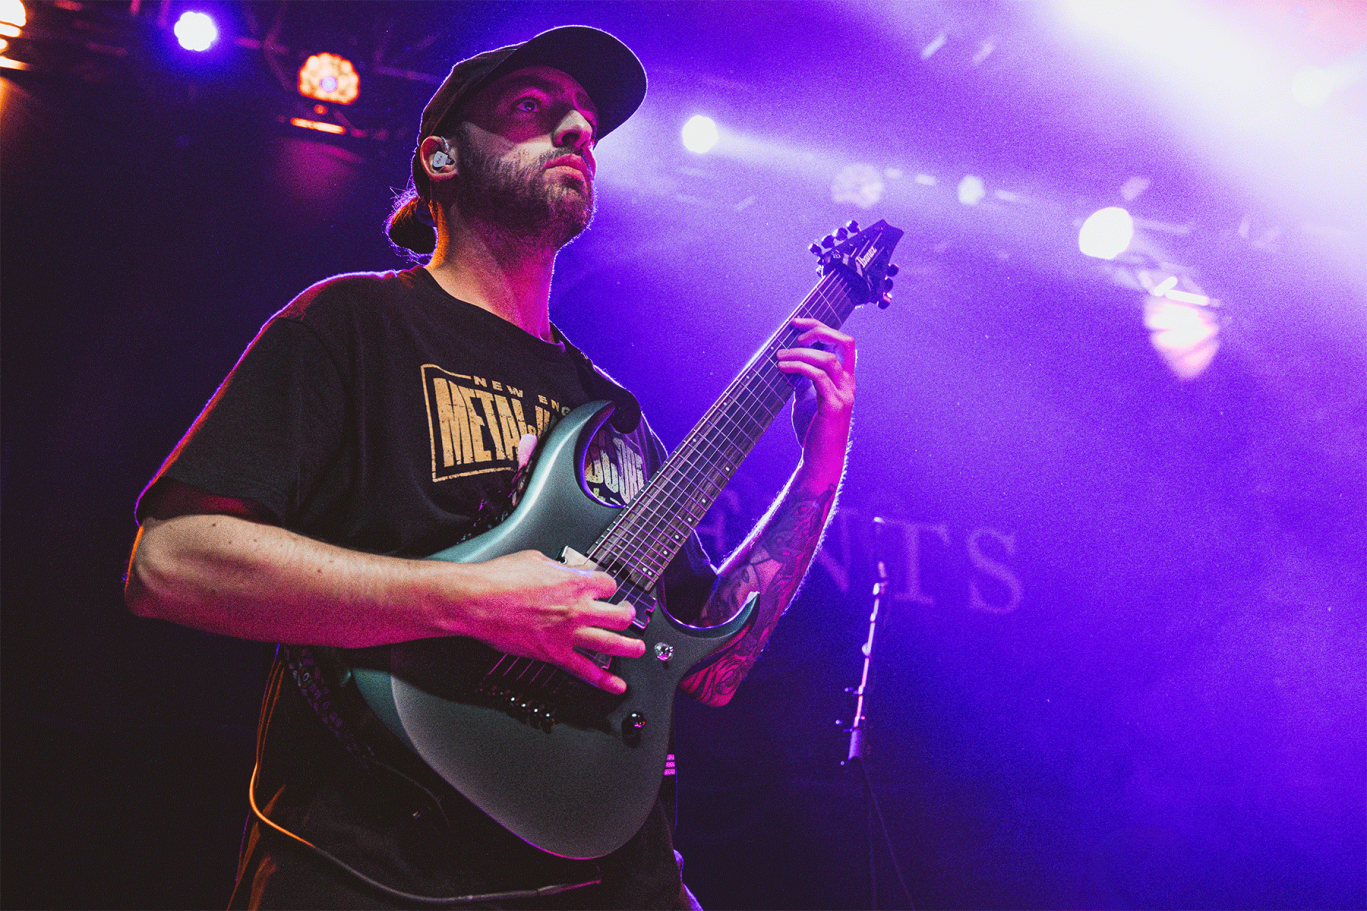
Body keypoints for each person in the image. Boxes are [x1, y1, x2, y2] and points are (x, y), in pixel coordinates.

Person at [125, 25, 856, 910]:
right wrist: (473, 600)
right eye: (533, 108)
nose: (579, 130)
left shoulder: (614, 416)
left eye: (586, 120)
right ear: (440, 157)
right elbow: (168, 562)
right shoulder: (353, 325)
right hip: (383, 866)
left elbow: (712, 668)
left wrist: (817, 472)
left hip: (612, 877)